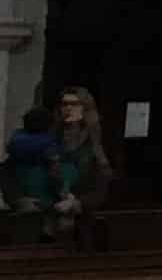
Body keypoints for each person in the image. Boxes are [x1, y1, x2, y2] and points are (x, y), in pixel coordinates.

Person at [42, 86, 114, 234]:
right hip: (52, 208)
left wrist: (78, 203)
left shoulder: (96, 141)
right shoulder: (52, 137)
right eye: (64, 104)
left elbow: (103, 180)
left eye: (74, 104)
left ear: (85, 108)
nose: (68, 108)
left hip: (84, 213)